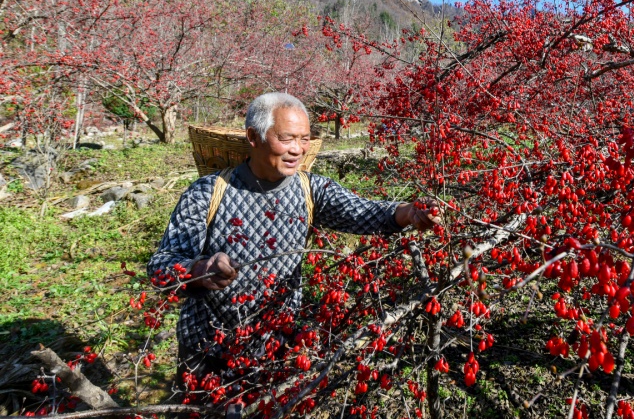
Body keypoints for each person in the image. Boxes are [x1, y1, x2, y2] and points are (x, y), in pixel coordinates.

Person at [147, 92, 441, 377]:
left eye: (304, 139)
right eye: (286, 138)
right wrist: (200, 270)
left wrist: (407, 213)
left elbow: (364, 213)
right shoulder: (208, 192)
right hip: (207, 346)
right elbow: (162, 265)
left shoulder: (311, 190)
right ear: (253, 137)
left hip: (275, 343)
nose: (298, 149)